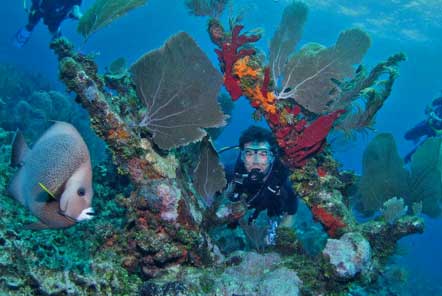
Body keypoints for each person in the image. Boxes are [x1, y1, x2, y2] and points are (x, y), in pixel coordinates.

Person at [223, 125, 298, 244]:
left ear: (272, 157)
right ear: (242, 156)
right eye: (249, 154)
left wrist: (274, 240)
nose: (256, 161)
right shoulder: (230, 173)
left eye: (263, 154)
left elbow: (290, 214)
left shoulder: (284, 182)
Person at [13, 0, 83, 48]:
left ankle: (60, 46)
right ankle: (24, 34)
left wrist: (78, 14)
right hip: (40, 8)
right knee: (32, 22)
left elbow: (76, 6)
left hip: (57, 15)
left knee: (53, 29)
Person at [404, 95, 442, 162]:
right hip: (428, 123)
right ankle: (415, 138)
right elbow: (432, 104)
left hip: (436, 134)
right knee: (407, 135)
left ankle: (404, 162)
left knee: (416, 153)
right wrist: (429, 110)